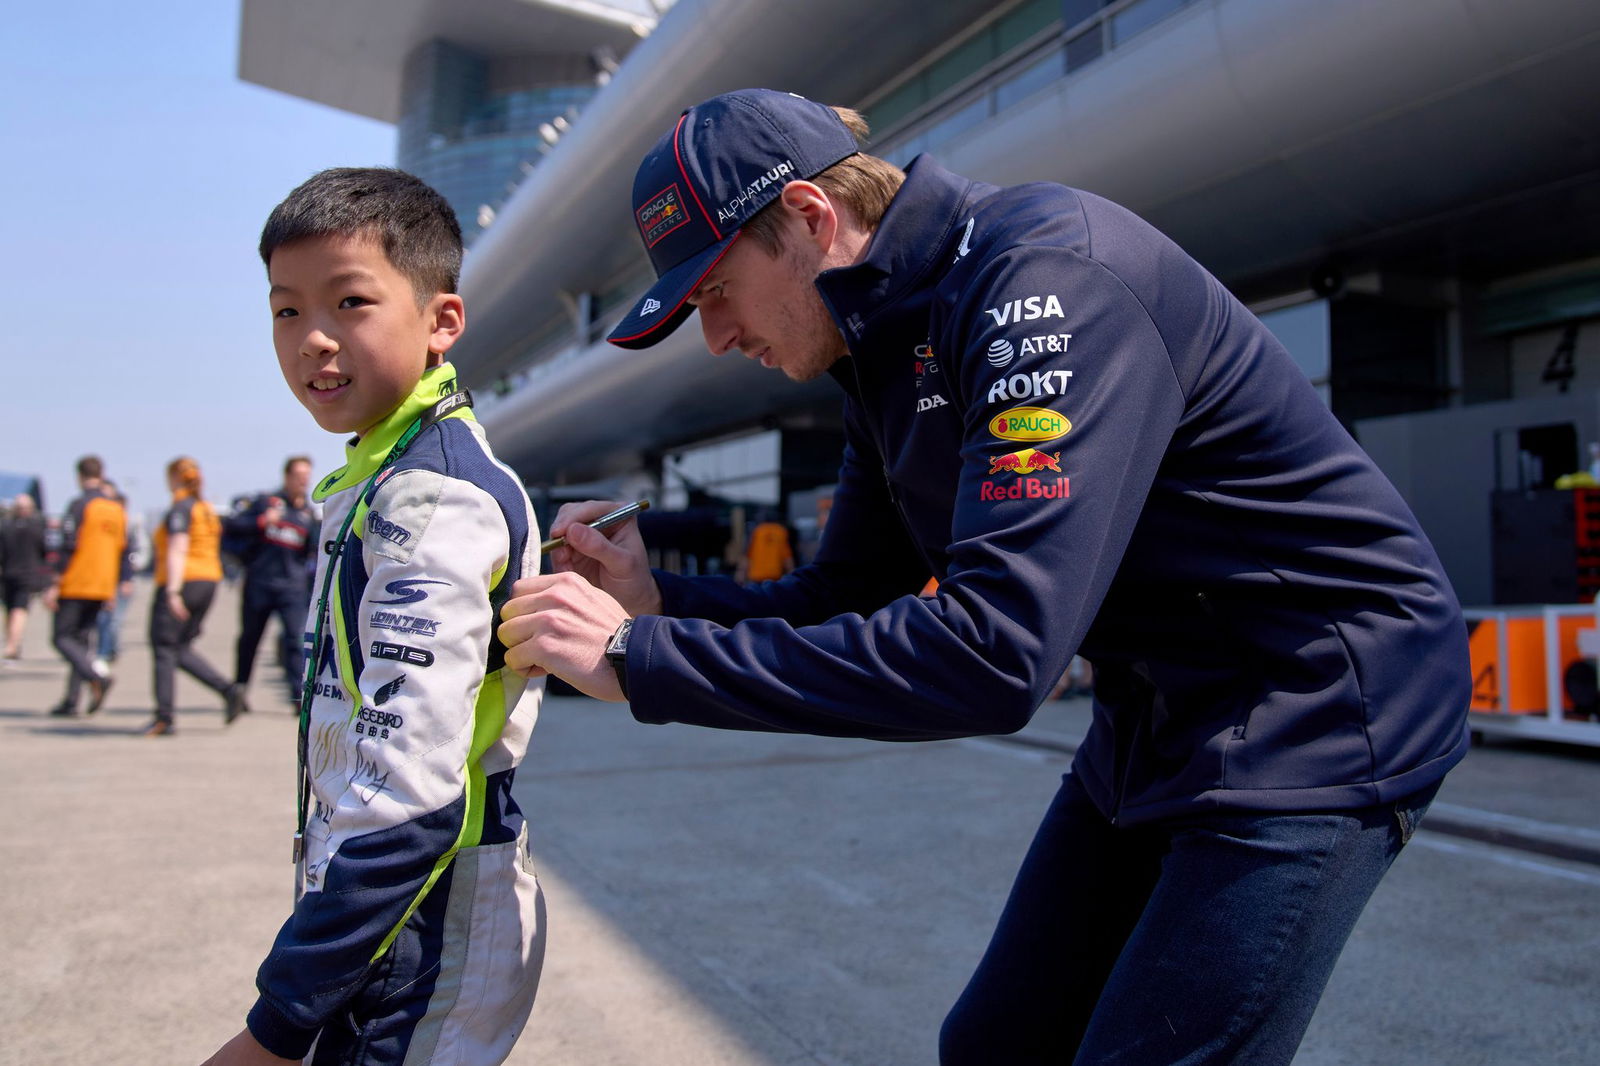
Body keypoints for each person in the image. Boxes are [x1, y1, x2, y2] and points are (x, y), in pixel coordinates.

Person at [497, 89, 1473, 1065]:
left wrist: (637, 658)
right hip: (1158, 710)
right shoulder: (876, 344)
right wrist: (657, 600)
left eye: (713, 291)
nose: (714, 337)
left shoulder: (1042, 280)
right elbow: (837, 597)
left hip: (1318, 704)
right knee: (995, 1044)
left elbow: (995, 653)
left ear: (806, 216)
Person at [201, 167, 544, 1066]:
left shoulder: (432, 498)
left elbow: (412, 802)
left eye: (349, 302)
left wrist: (273, 1030)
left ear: (441, 322)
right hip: (380, 921)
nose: (312, 339)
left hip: (419, 932)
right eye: (285, 310)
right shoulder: (377, 475)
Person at [144, 457, 246, 737]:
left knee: (164, 647)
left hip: (185, 580)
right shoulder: (205, 509)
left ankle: (163, 717)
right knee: (179, 647)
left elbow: (178, 547)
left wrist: (173, 591)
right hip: (208, 579)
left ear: (174, 478)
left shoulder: (182, 507)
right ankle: (227, 690)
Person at [223, 455, 318, 705]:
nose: (303, 482)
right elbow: (232, 525)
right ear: (287, 477)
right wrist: (263, 521)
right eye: (298, 476)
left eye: (306, 477)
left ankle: (298, 697)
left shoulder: (308, 514)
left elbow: (314, 551)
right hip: (259, 584)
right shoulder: (267, 503)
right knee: (250, 639)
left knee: (294, 641)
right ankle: (239, 690)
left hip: (292, 588)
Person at [44, 455, 128, 716]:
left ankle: (96, 677)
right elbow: (121, 550)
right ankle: (71, 700)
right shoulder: (116, 509)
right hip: (103, 584)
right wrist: (116, 584)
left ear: (79, 476)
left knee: (61, 638)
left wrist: (55, 582)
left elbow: (68, 545)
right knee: (81, 642)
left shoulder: (80, 505)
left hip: (77, 581)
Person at [92, 478, 135, 676]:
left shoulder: (119, 520)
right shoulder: (96, 518)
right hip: (98, 578)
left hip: (116, 579)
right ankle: (103, 653)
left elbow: (125, 553)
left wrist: (126, 579)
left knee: (112, 620)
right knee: (102, 620)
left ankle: (107, 652)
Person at [2, 494, 49, 660]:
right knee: (19, 611)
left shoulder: (6, 526)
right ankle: (12, 645)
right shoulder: (36, 526)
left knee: (11, 611)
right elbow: (45, 552)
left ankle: (12, 643)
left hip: (9, 574)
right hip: (26, 575)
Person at [734, 510, 795, 585]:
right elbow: (787, 558)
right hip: (774, 577)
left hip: (756, 577)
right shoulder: (781, 531)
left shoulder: (756, 531)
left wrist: (740, 574)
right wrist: (792, 575)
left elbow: (747, 555)